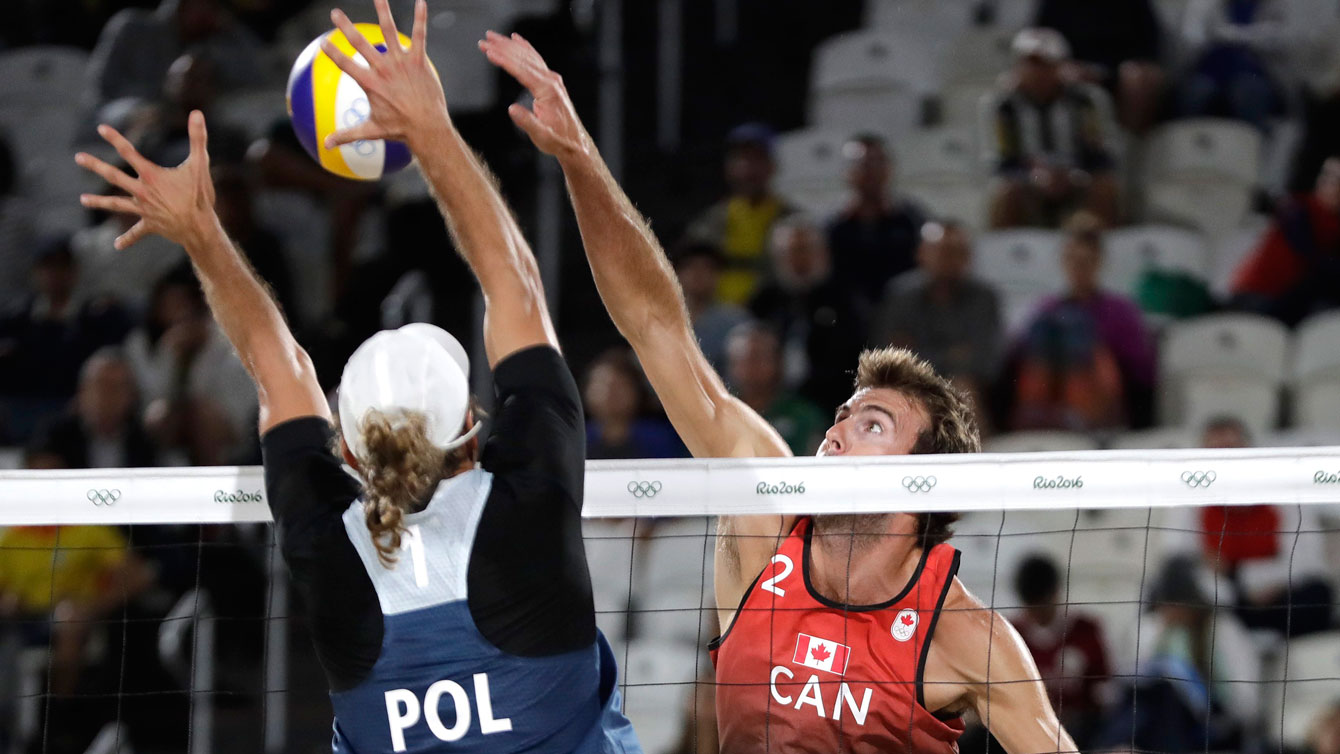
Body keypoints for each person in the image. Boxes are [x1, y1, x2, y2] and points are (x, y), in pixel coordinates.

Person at [484, 31, 1076, 753]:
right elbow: (655, 327)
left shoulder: (966, 638)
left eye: (874, 426)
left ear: (921, 482)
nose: (836, 431)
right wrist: (579, 157)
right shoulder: (765, 524)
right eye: (844, 414)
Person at [74, 3, 642, 751]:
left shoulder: (328, 549)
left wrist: (201, 236)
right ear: (474, 428)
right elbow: (515, 285)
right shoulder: (528, 506)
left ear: (346, 450)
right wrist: (430, 130)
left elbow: (282, 374)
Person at [1163, 416, 1334, 637]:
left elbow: (1308, 563)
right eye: (1214, 453)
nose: (1224, 461)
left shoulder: (1286, 494)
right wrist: (1229, 583)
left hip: (1281, 598)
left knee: (1318, 594)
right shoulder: (1188, 503)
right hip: (1221, 605)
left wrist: (1242, 575)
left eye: (1231, 450)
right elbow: (1178, 562)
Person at [1094, 554, 1260, 753]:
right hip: (1156, 713)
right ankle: (1117, 746)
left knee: (1166, 693)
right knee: (1143, 697)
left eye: (1174, 605)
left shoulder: (1223, 630)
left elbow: (1245, 699)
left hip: (1207, 717)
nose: (1168, 612)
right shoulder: (1152, 629)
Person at [1009, 213, 1155, 431]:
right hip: (1049, 396)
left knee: (1078, 330)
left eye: (1085, 261)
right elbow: (1019, 361)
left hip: (1102, 402)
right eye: (1072, 260)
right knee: (1050, 327)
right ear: (1063, 261)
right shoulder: (1045, 309)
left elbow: (1141, 373)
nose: (1078, 268)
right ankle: (1039, 422)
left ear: (1098, 261)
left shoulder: (1121, 310)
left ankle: (1077, 418)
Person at [985, 28, 1121, 229]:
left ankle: (1098, 252)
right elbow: (1001, 162)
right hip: (1027, 182)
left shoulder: (1085, 101)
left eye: (1046, 64)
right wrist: (1036, 176)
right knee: (1005, 192)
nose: (1038, 72)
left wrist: (1071, 175)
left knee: (1105, 186)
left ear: (1061, 66)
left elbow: (1100, 155)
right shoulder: (1004, 106)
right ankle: (1008, 252)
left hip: (1076, 178)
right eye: (1030, 63)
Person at [0, 237, 132, 442]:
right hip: (20, 411)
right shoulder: (15, 320)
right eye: (48, 267)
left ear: (74, 272)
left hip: (77, 413)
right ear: (35, 272)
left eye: (62, 266)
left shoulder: (96, 318)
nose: (55, 275)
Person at [872, 220, 1002, 423]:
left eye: (956, 252)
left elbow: (985, 360)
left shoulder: (984, 298)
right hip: (909, 386)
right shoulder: (900, 296)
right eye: (941, 251)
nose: (948, 259)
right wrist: (953, 354)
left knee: (963, 390)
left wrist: (922, 353)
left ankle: (970, 452)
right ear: (921, 253)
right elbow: (891, 357)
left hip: (967, 388)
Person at [748, 215, 868, 411]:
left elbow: (855, 355)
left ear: (823, 253)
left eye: (804, 250)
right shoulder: (765, 300)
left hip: (831, 401)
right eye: (789, 252)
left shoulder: (845, 298)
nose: (798, 260)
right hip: (771, 404)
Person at [684, 122, 793, 305]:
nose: (747, 168)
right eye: (740, 159)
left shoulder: (791, 221)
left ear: (772, 165)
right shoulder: (710, 222)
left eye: (756, 159)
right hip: (718, 318)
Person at [1011, 555, 1111, 748]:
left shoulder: (1086, 631)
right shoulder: (1012, 634)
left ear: (1055, 594)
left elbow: (1104, 693)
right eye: (1031, 606)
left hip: (1080, 730)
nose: (1036, 613)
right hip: (1025, 729)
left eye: (1041, 605)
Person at [1230, 156, 1340, 325]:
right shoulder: (1297, 207)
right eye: (1326, 176)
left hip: (1289, 304)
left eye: (1337, 179)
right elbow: (1312, 256)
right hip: (1255, 298)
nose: (1327, 184)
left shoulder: (1333, 223)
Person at [825, 134, 926, 310]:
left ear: (890, 168)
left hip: (903, 317)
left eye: (878, 161)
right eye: (861, 164)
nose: (870, 170)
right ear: (845, 172)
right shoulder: (831, 227)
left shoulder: (913, 220)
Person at [1034, 0, 1165, 134]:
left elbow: (1149, 49)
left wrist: (1101, 73)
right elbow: (1039, 41)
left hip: (1118, 75)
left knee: (1137, 77)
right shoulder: (1055, 5)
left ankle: (1126, 146)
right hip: (1070, 69)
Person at [27, 348, 157, 469]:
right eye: (101, 386)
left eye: (116, 387)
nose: (108, 396)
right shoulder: (54, 436)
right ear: (82, 392)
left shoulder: (145, 440)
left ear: (131, 396)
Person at [1174, 0, 1291, 133]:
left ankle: (1252, 147)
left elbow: (1282, 39)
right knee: (1194, 94)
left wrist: (1233, 35)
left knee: (1248, 93)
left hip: (1255, 70)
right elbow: (1190, 38)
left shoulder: (1276, 4)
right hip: (1210, 69)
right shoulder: (1204, 4)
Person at [725, 321, 826, 455]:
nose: (751, 367)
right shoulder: (723, 411)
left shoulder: (804, 416)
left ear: (779, 362)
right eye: (742, 359)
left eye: (759, 357)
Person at [583, 347, 684, 460]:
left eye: (619, 387)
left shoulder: (659, 438)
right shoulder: (576, 440)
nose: (610, 395)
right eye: (601, 386)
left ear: (636, 390)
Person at [671, 240, 748, 376]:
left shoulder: (736, 322)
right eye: (691, 267)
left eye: (707, 268)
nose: (699, 275)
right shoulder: (661, 320)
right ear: (677, 273)